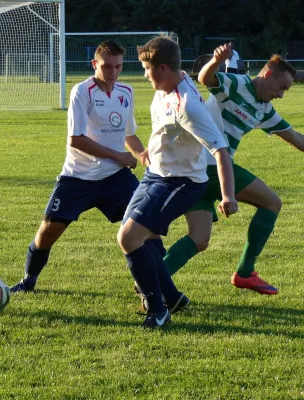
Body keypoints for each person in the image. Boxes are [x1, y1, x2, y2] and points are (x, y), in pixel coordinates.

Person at [164, 42, 304, 295]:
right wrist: (216, 60)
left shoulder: (265, 111)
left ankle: (151, 280)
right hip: (209, 166)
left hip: (201, 173)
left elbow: (297, 139)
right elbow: (206, 78)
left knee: (199, 239)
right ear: (267, 74)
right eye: (282, 87)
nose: (281, 95)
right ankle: (245, 272)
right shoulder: (236, 85)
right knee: (272, 203)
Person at [117, 37, 238, 329]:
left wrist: (227, 196)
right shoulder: (167, 85)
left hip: (180, 183)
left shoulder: (187, 106)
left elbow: (220, 150)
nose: (144, 74)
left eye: (146, 68)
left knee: (129, 239)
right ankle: (172, 297)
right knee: (135, 236)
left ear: (161, 68)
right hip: (155, 174)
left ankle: (158, 312)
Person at [10, 41, 146, 293]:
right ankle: (28, 281)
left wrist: (144, 155)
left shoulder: (126, 91)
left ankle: (151, 283)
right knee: (47, 234)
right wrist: (118, 156)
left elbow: (130, 135)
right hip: (77, 178)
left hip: (116, 178)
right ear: (95, 64)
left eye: (118, 66)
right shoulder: (82, 91)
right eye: (107, 66)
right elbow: (76, 139)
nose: (113, 72)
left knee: (145, 228)